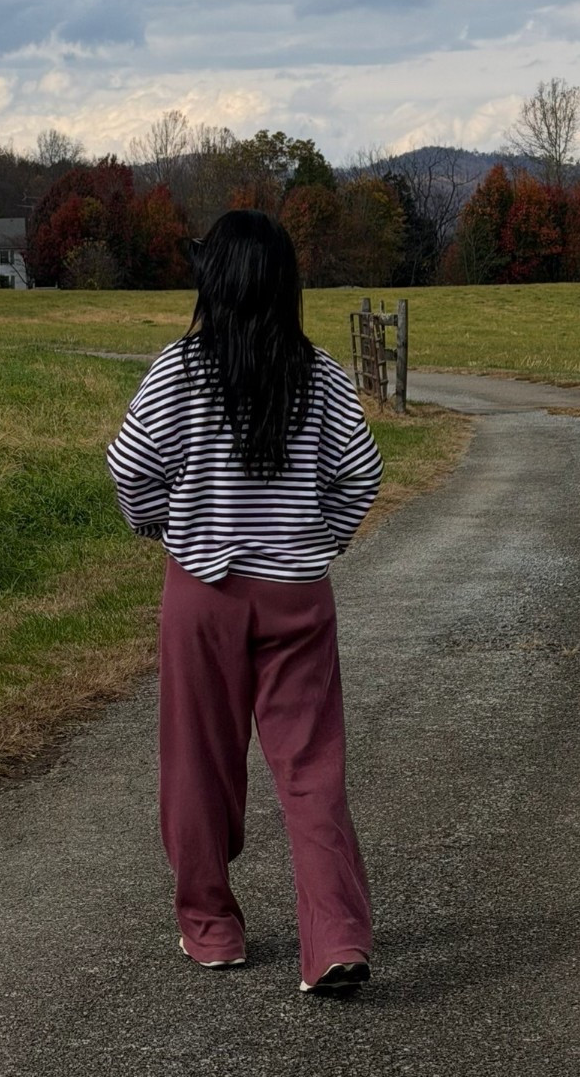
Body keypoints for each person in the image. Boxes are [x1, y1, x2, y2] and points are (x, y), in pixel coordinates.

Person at [105, 209, 383, 996]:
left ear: (213, 283)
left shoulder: (180, 370)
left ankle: (212, 927)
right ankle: (334, 939)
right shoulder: (320, 374)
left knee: (197, 762)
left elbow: (129, 468)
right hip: (297, 597)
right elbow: (361, 473)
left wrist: (163, 523)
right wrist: (316, 541)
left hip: (203, 593)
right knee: (311, 769)